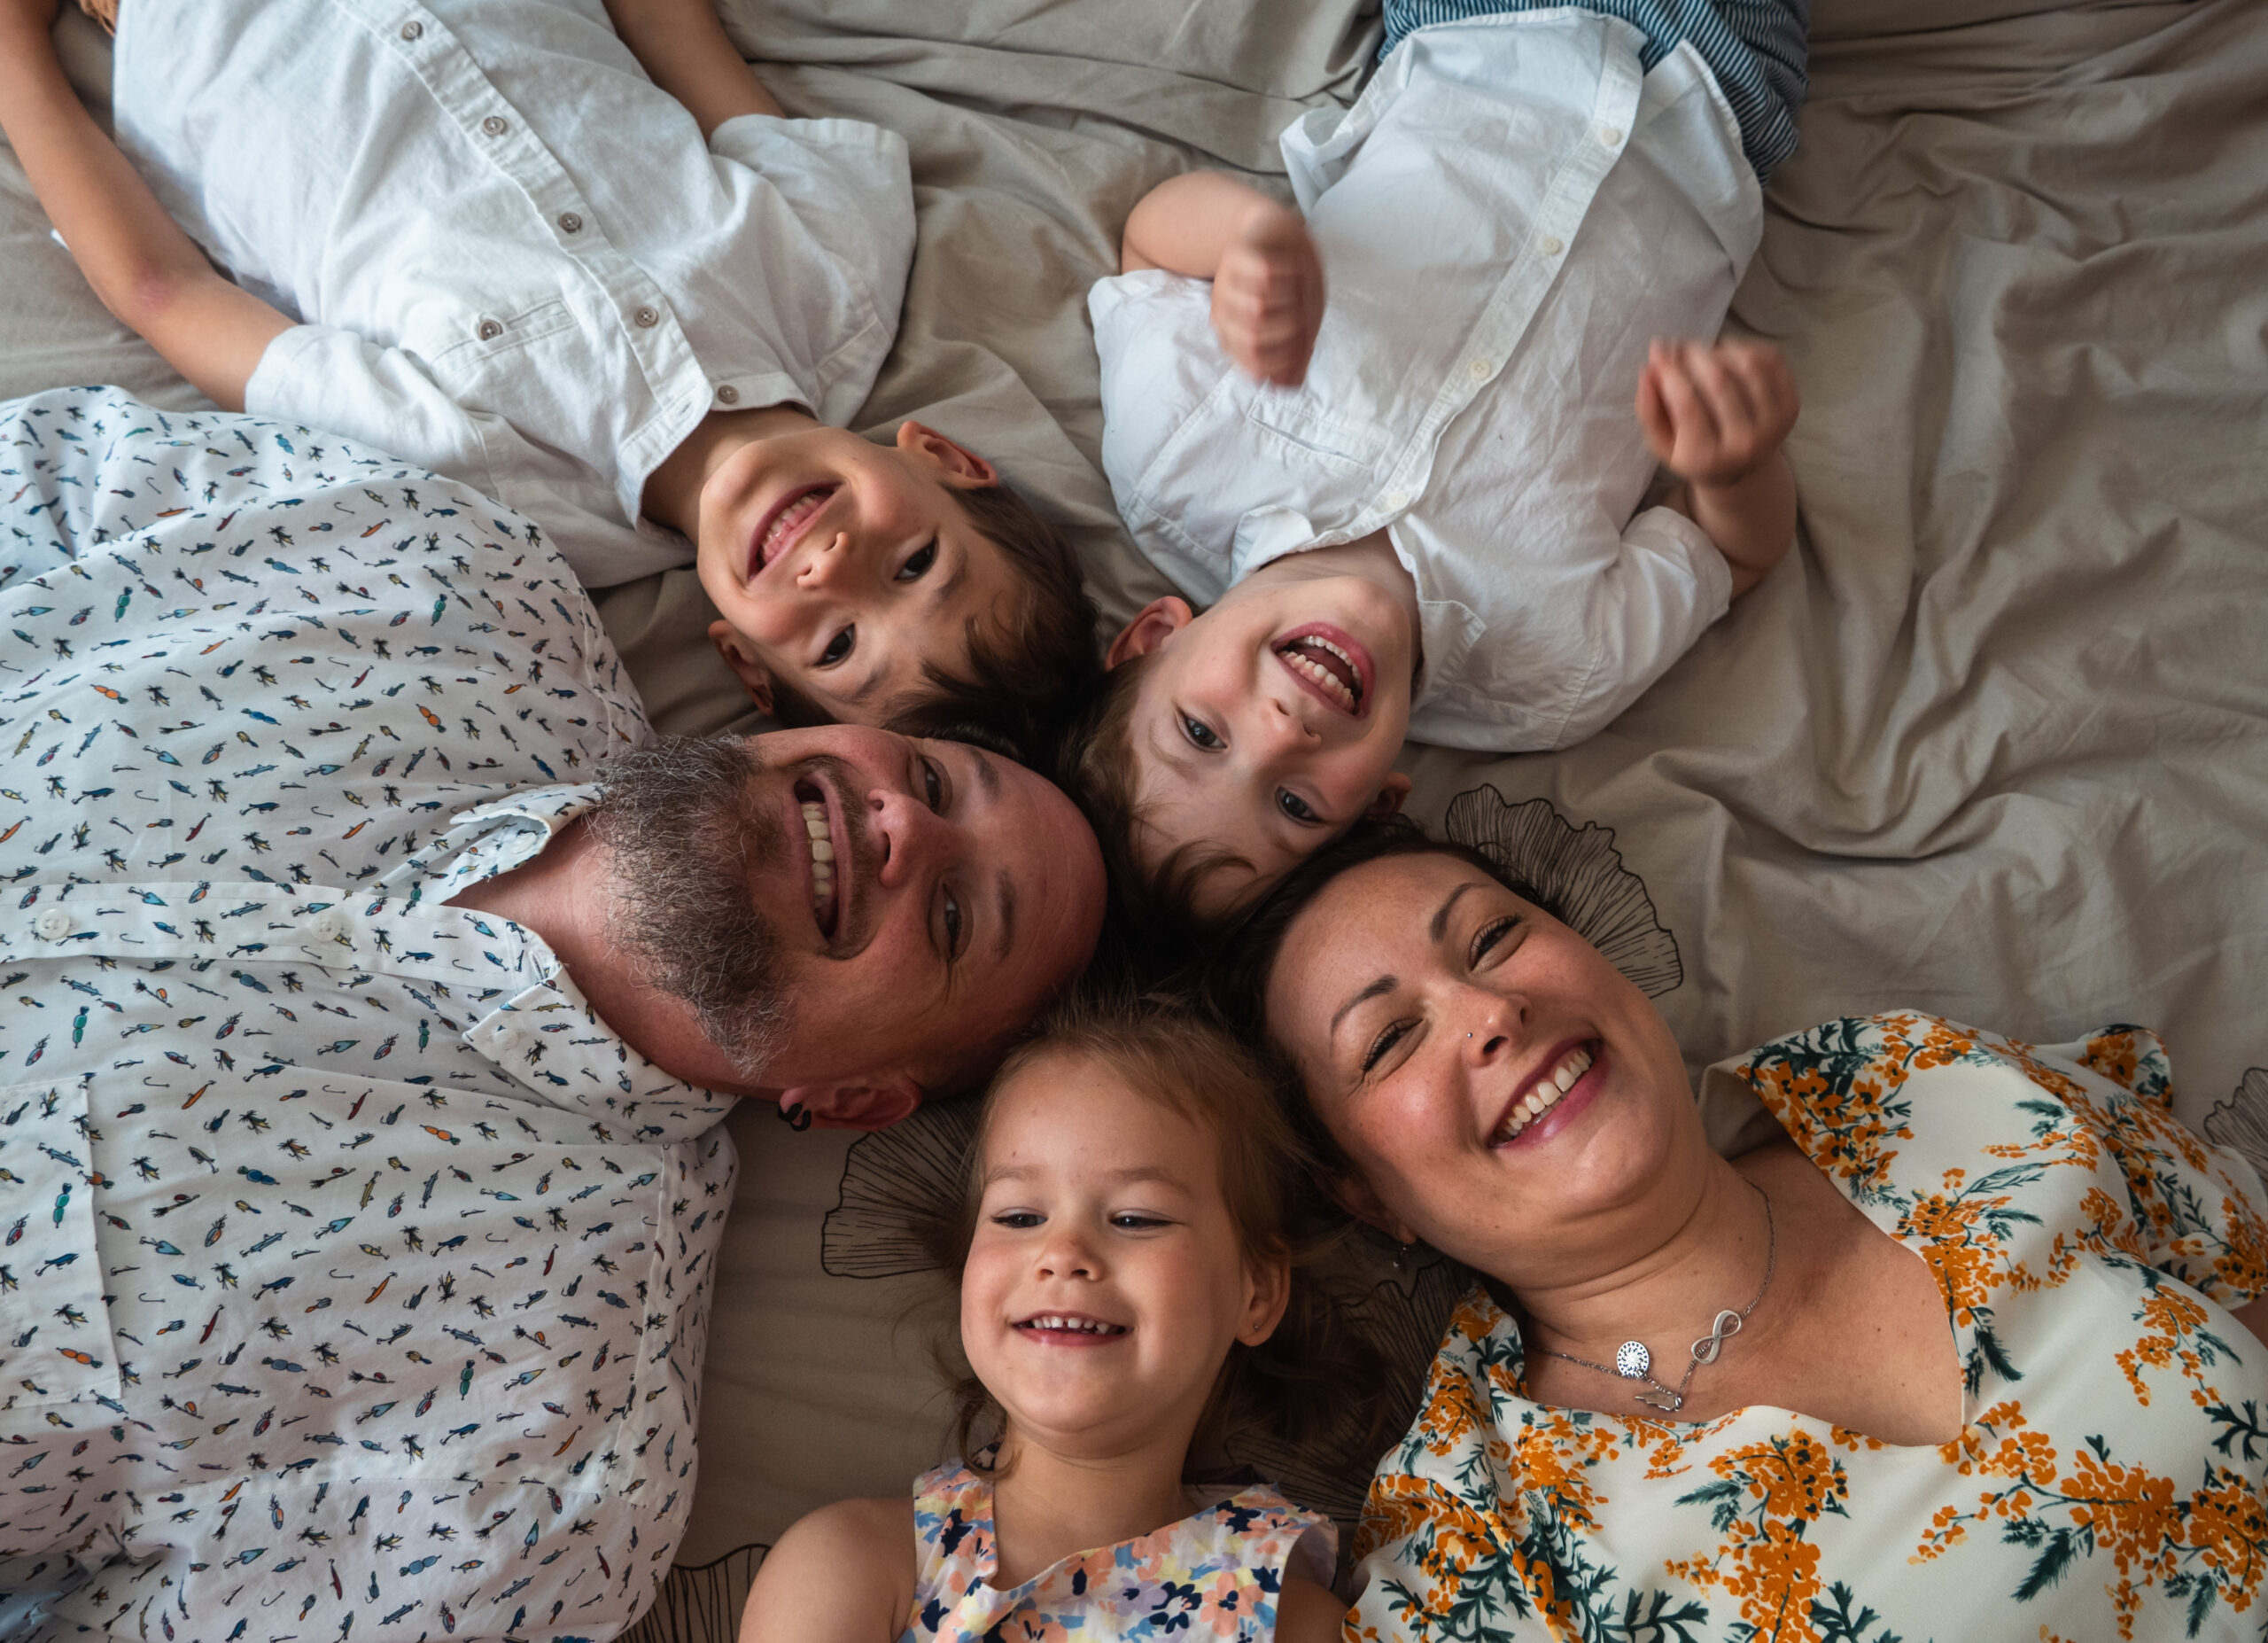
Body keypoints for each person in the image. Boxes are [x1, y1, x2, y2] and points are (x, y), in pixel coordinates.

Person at [0, 385, 1107, 1643]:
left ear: (858, 1097)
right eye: (928, 774)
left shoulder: (539, 1471)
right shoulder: (451, 579)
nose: (903, 824)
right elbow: (44, 473)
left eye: (958, 916)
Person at [1215, 820, 2268, 1639]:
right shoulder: (1478, 1535)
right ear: (1366, 1195)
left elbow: (2241, 1273)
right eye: (1392, 1039)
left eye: (1494, 939)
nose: (1490, 1012)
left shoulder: (1907, 1083)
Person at [0, 0, 1098, 756]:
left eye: (839, 644)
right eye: (914, 563)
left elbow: (166, 296)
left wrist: (13, 52)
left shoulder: (484, 494)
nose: (832, 568)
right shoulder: (839, 272)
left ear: (748, 670)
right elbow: (680, 41)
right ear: (946, 459)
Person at [1064, 0, 1810, 931]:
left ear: (1150, 639)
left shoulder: (1173, 460)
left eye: (1201, 733)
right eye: (1296, 806)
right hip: (1719, 91)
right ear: (1379, 804)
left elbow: (1148, 244)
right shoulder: (1550, 679)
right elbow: (1732, 558)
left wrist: (1241, 239)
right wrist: (1735, 469)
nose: (1279, 734)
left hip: (1488, 26)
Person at [738, 1001, 1353, 1640]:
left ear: (1255, 1293)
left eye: (1137, 1218)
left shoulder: (1289, 1617)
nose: (1063, 1255)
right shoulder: (859, 1567)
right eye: (1020, 1218)